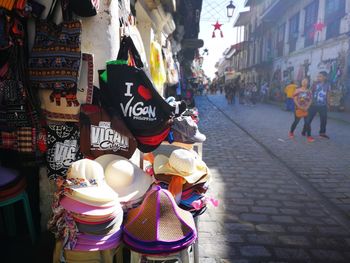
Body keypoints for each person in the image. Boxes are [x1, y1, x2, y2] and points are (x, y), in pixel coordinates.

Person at [304, 71, 331, 141]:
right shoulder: (314, 84)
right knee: (309, 119)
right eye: (318, 76)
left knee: (324, 120)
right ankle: (304, 130)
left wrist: (328, 103)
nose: (318, 77)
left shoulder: (328, 84)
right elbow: (309, 92)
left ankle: (322, 133)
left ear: (325, 77)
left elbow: (328, 94)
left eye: (320, 76)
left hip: (323, 105)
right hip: (313, 104)